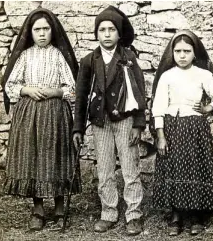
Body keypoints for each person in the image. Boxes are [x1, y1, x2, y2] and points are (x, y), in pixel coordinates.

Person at [2, 8, 81, 231]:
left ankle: (58, 205)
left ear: (52, 31)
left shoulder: (58, 55)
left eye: (46, 29)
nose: (42, 34)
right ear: (31, 32)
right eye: (37, 30)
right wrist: (26, 89)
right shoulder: (25, 56)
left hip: (55, 113)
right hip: (29, 113)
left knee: (55, 155)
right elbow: (10, 85)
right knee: (32, 156)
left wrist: (56, 92)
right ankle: (37, 208)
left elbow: (73, 88)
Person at [73, 6, 146, 236]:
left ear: (118, 33)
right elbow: (81, 95)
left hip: (124, 120)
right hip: (100, 122)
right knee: (104, 168)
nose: (107, 34)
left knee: (129, 167)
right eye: (102, 29)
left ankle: (134, 214)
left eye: (111, 29)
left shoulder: (128, 57)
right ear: (96, 33)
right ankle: (109, 212)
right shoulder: (88, 61)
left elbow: (140, 91)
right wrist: (78, 128)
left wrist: (138, 123)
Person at [151, 30, 213, 236]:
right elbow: (158, 107)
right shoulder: (167, 76)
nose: (182, 55)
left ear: (195, 53)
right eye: (178, 51)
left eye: (187, 51)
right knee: (175, 167)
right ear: (172, 53)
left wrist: (208, 108)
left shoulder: (203, 74)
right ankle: (176, 216)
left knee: (195, 166)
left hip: (195, 128)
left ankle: (196, 216)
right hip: (172, 127)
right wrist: (160, 136)